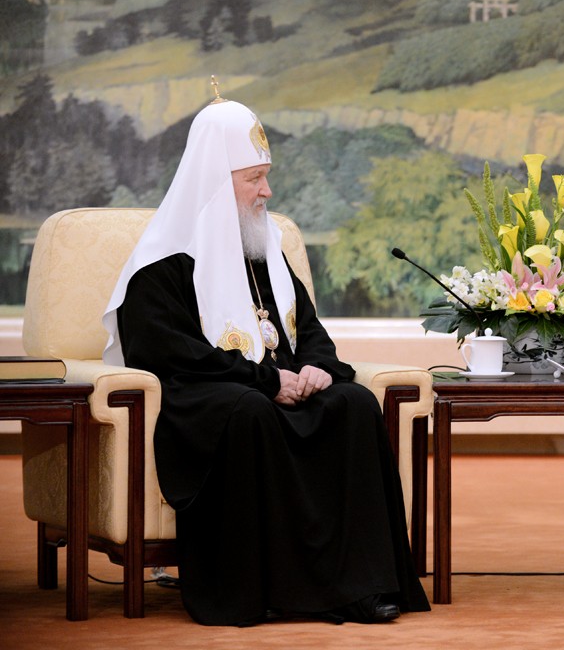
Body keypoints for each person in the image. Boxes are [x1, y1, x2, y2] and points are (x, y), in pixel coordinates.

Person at [101, 92, 431, 626]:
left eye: (266, 176)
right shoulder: (160, 264)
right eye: (254, 178)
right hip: (208, 397)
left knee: (353, 404)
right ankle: (260, 590)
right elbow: (168, 353)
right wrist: (263, 380)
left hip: (278, 387)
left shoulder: (265, 249)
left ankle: (361, 586)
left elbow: (309, 328)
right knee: (249, 411)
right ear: (216, 181)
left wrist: (319, 367)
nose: (267, 191)